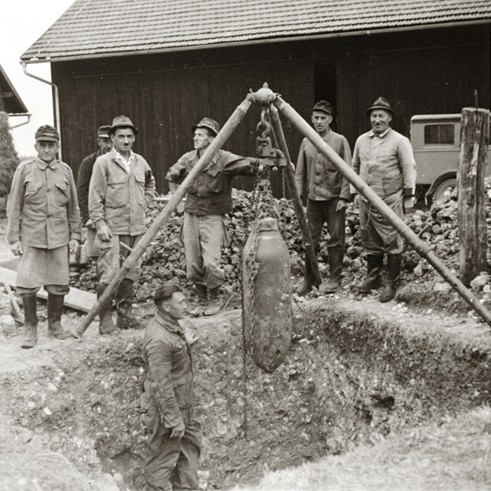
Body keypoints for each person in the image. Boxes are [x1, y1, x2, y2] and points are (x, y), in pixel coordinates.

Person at [166, 117, 262, 315]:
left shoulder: (224, 159)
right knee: (193, 262)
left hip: (212, 216)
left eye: (200, 135)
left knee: (211, 261)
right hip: (191, 214)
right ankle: (201, 299)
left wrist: (266, 164)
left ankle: (215, 298)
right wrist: (178, 201)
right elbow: (171, 176)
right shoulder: (188, 159)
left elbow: (246, 165)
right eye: (195, 134)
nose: (195, 138)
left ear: (212, 139)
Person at [7, 125, 81, 348]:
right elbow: (14, 205)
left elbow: (73, 207)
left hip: (59, 236)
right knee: (28, 284)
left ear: (57, 147)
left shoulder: (65, 171)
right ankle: (31, 329)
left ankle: (55, 326)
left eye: (51, 145)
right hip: (32, 236)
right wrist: (14, 239)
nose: (47, 149)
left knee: (58, 283)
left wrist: (75, 236)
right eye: (43, 145)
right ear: (36, 146)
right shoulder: (25, 169)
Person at [89, 115, 156, 333]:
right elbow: (95, 196)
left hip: (135, 228)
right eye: (121, 137)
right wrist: (100, 224)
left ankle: (125, 315)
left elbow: (150, 183)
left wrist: (145, 202)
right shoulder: (103, 163)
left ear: (134, 138)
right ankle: (105, 319)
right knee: (109, 274)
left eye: (129, 136)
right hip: (112, 229)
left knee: (131, 272)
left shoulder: (140, 161)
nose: (125, 141)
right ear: (112, 139)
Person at [352, 97, 417, 302]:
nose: (377, 119)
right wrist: (355, 192)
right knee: (369, 238)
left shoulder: (399, 141)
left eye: (381, 116)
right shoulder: (361, 140)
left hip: (390, 200)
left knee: (392, 241)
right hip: (366, 200)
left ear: (389, 118)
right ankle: (373, 278)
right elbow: (354, 167)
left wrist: (409, 197)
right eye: (374, 116)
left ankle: (392, 282)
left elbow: (409, 169)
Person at [140, 282, 201, 491]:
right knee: (162, 462)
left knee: (189, 453)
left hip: (183, 404)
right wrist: (174, 420)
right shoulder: (159, 339)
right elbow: (160, 383)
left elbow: (171, 357)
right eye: (181, 302)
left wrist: (185, 345)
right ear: (167, 307)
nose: (186, 305)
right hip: (167, 411)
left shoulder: (169, 325)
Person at [295, 100, 352, 295]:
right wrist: (298, 199)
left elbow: (348, 171)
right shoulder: (306, 141)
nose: (319, 122)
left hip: (335, 198)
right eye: (316, 118)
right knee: (310, 239)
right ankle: (309, 279)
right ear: (311, 119)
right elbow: (300, 174)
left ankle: (335, 279)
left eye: (323, 118)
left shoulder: (340, 141)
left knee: (336, 239)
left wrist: (344, 197)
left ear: (330, 120)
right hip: (313, 200)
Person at [77, 124, 112, 226]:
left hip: (115, 218)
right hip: (95, 218)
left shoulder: (120, 162)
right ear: (99, 142)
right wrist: (88, 217)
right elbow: (82, 192)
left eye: (111, 141)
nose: (109, 146)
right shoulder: (88, 162)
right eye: (105, 141)